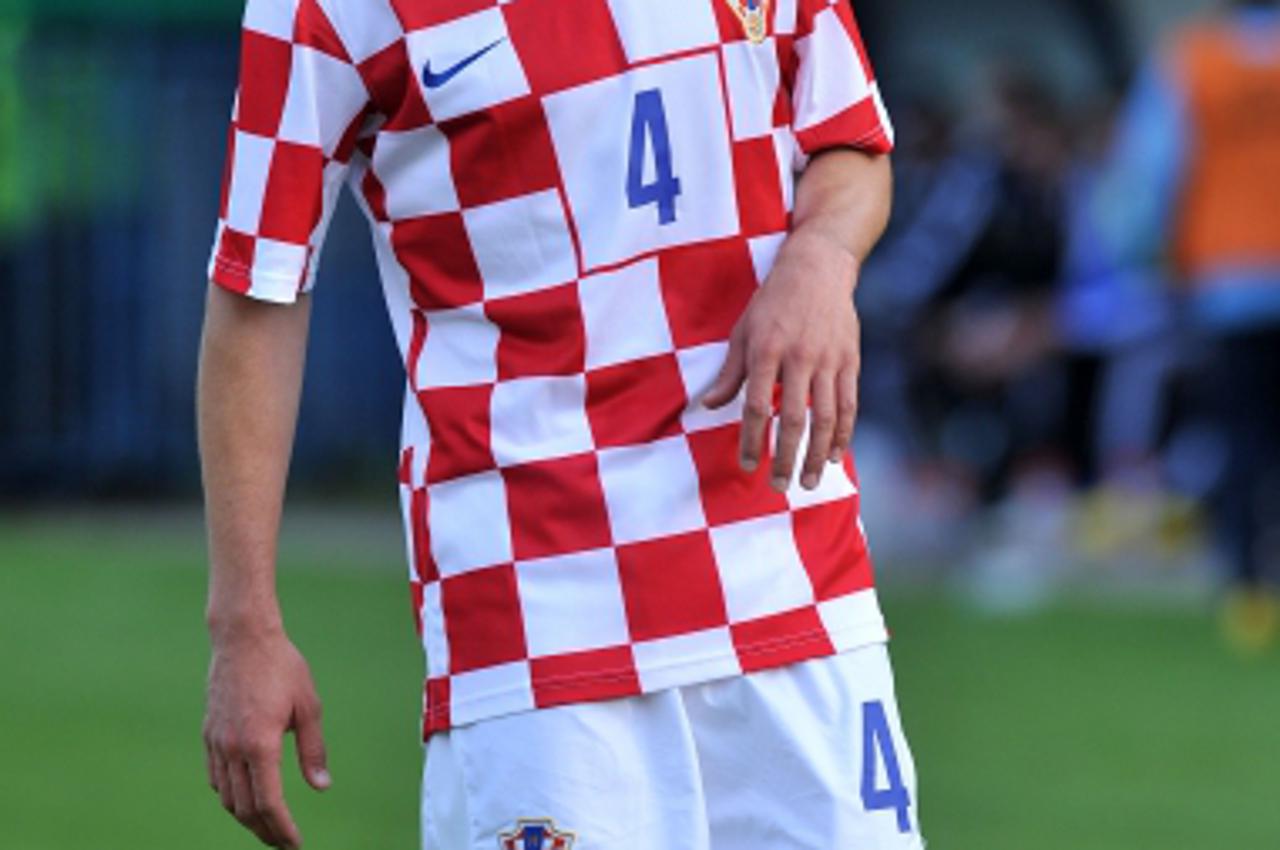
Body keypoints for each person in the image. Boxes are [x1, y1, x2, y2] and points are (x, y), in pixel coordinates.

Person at [198, 0, 923, 848]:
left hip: (798, 574)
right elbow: (258, 288)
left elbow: (848, 135)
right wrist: (244, 624)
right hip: (537, 615)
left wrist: (822, 256)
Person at [1099, 0, 1280, 650]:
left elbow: (1150, 173)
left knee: (1245, 437)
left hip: (1230, 284)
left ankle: (1247, 593)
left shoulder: (1193, 59)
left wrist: (1135, 258)